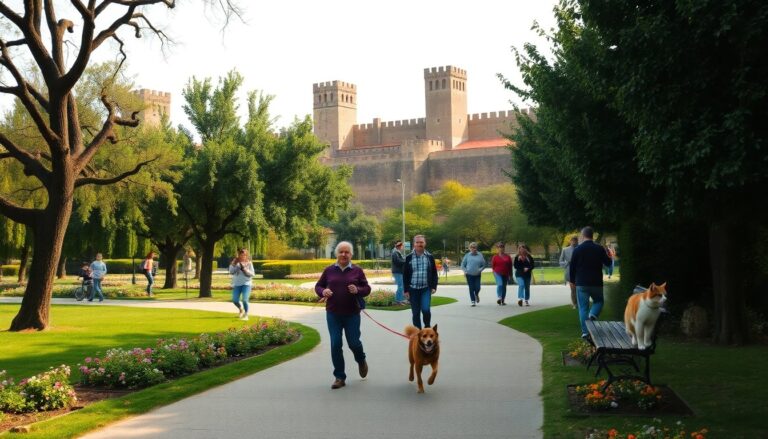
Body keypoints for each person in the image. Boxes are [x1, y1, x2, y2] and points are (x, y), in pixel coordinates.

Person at [314, 241, 371, 389]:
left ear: (351, 255)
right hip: (333, 313)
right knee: (335, 344)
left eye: (347, 252)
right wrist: (323, 292)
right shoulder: (329, 270)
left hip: (352, 314)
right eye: (341, 252)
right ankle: (339, 377)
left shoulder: (357, 271)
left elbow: (367, 288)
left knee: (354, 343)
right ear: (337, 254)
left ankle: (361, 360)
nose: (344, 255)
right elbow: (318, 286)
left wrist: (357, 289)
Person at [569, 226, 613, 339]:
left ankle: (585, 332)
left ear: (583, 236)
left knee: (583, 307)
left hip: (581, 283)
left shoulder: (577, 249)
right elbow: (608, 263)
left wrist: (572, 281)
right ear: (592, 236)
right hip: (596, 282)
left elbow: (572, 267)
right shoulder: (599, 248)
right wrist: (610, 256)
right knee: (599, 301)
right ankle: (592, 316)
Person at [403, 235, 439, 328]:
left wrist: (434, 286)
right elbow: (405, 275)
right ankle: (418, 333)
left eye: (421, 242)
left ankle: (427, 328)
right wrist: (406, 290)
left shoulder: (429, 257)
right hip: (413, 289)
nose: (419, 244)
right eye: (417, 242)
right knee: (415, 313)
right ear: (414, 244)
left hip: (425, 289)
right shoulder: (409, 257)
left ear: (425, 243)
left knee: (426, 310)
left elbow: (434, 273)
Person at [229, 248, 255, 321]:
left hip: (246, 284)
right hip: (237, 284)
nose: (242, 256)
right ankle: (241, 309)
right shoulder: (235, 262)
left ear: (246, 256)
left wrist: (245, 269)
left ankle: (246, 315)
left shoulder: (249, 263)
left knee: (244, 300)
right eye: (241, 255)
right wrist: (233, 264)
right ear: (239, 255)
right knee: (235, 300)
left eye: (244, 255)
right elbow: (231, 271)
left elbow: (253, 274)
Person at [460, 242, 485, 306]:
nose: (474, 249)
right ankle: (473, 301)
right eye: (472, 247)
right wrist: (465, 271)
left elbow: (484, 264)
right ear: (470, 248)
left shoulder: (480, 255)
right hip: (469, 275)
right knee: (471, 288)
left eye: (475, 247)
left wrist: (480, 269)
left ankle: (476, 294)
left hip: (477, 275)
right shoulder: (467, 255)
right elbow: (462, 265)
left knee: (478, 288)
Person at [559, 236, 579, 308]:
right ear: (570, 241)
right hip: (570, 272)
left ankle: (579, 303)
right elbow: (560, 261)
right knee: (573, 289)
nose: (574, 242)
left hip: (579, 272)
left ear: (577, 241)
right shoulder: (565, 250)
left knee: (579, 289)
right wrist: (567, 263)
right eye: (572, 241)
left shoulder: (580, 248)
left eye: (575, 241)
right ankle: (575, 304)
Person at [391, 241, 406, 305]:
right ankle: (398, 300)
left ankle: (401, 300)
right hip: (397, 272)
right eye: (402, 246)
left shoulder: (397, 253)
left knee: (402, 286)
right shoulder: (395, 253)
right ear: (399, 246)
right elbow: (398, 262)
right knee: (400, 286)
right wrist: (405, 260)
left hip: (399, 271)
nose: (402, 247)